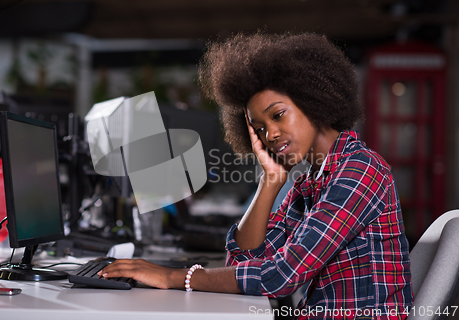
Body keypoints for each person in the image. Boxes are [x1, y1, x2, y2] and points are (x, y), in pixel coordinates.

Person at [99, 32, 413, 319]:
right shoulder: (310, 182)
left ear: (314, 99)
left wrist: (174, 277)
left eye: (278, 115)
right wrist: (270, 181)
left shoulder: (359, 171)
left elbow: (281, 277)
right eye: (259, 128)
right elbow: (242, 264)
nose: (271, 134)